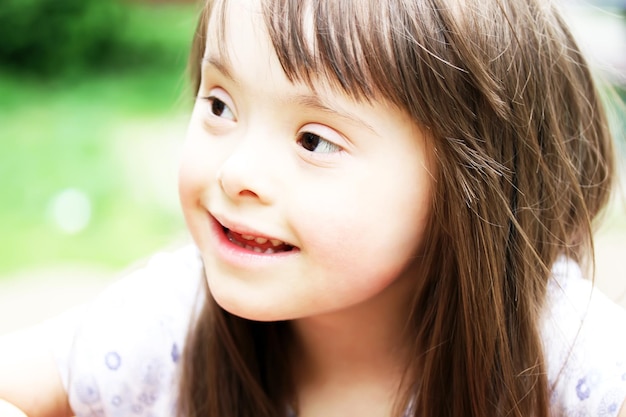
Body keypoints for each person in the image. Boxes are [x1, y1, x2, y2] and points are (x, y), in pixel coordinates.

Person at [1, 0, 626, 416]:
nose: (236, 172)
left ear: (470, 186)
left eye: (313, 141)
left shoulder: (567, 359)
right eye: (220, 104)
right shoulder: (172, 323)